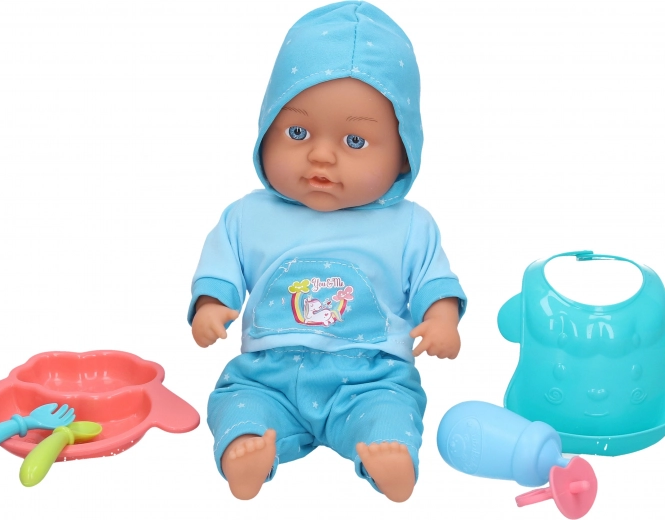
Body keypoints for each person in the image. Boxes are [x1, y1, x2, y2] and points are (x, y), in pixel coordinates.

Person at [188, 1, 466, 502]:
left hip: (372, 377)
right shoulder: (247, 215)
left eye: (355, 140)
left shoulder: (410, 224)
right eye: (297, 133)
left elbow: (434, 282)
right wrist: (210, 307)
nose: (320, 155)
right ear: (266, 129)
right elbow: (221, 269)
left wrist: (442, 320)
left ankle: (388, 457)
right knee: (237, 403)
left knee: (391, 411)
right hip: (266, 375)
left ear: (404, 155)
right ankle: (247, 452)